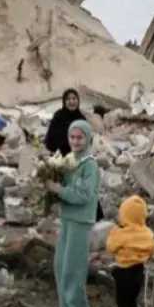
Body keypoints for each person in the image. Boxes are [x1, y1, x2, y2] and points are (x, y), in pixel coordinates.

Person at [46, 120, 100, 307]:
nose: (76, 141)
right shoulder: (70, 161)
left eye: (80, 137)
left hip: (81, 221)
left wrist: (59, 190)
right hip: (68, 218)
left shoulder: (90, 165)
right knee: (60, 264)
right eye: (72, 137)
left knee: (74, 268)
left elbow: (84, 195)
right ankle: (66, 306)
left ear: (87, 139)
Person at [44, 88, 105, 221]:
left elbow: (88, 137)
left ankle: (94, 214)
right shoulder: (58, 117)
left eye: (74, 99)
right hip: (64, 159)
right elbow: (50, 140)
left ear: (78, 101)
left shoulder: (80, 118)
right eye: (68, 99)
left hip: (79, 159)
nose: (72, 101)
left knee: (84, 187)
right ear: (64, 101)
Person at [105, 195, 154, 307]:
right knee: (132, 300)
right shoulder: (147, 233)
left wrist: (114, 231)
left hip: (123, 272)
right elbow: (153, 250)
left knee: (122, 302)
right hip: (139, 272)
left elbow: (110, 247)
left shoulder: (122, 233)